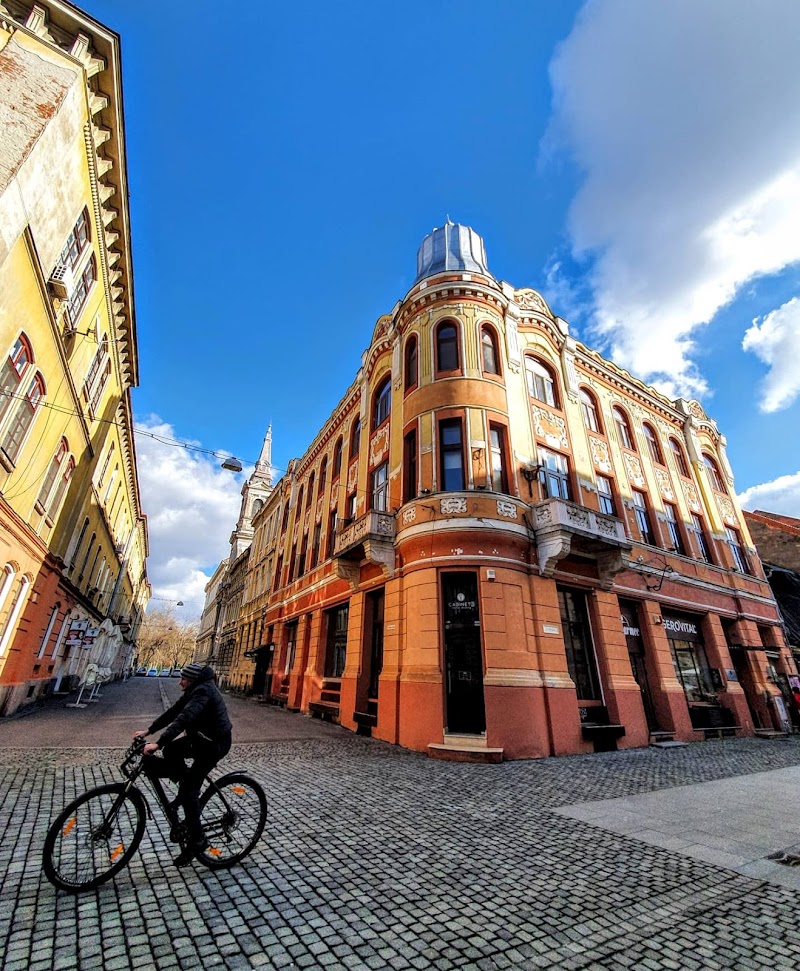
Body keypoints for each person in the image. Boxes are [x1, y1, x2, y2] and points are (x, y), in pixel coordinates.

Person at [133, 661, 232, 866]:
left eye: (183, 679)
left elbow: (185, 718)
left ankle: (198, 840)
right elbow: (175, 711)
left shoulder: (203, 691)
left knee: (189, 791)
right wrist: (149, 731)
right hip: (200, 738)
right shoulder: (194, 689)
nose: (180, 682)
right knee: (172, 750)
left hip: (215, 743)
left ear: (193, 680)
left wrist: (158, 744)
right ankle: (184, 784)